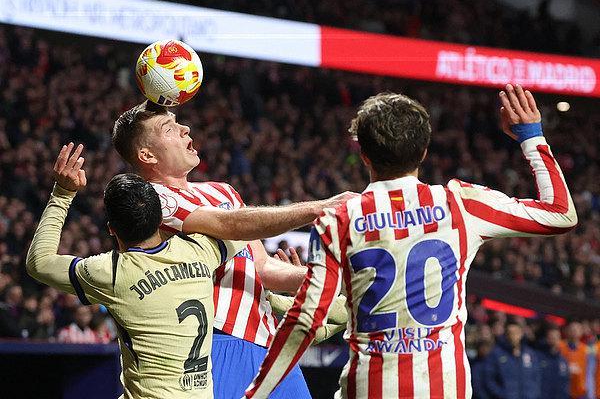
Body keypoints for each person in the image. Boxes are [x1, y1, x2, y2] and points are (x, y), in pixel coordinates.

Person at [244, 84, 578, 398]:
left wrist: (255, 393)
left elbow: (305, 320)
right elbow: (561, 213)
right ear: (424, 152)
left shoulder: (337, 219)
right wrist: (531, 136)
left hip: (370, 387)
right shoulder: (460, 204)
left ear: (364, 155)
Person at [112, 100, 352, 398]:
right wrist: (321, 208)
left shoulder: (222, 191)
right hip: (212, 343)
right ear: (147, 155)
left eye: (178, 123)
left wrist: (332, 276)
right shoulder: (153, 201)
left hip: (267, 343)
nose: (185, 128)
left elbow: (262, 267)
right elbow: (230, 225)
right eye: (169, 129)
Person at [26, 143, 250, 398]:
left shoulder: (111, 272)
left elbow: (39, 262)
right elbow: (243, 228)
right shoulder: (200, 250)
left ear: (111, 230)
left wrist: (62, 193)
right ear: (160, 220)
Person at [484, 320, 541, 398]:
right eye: (510, 333)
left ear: (521, 334)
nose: (513, 336)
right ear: (506, 335)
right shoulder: (496, 354)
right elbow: (489, 379)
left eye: (516, 333)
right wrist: (502, 394)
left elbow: (537, 378)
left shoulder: (530, 354)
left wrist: (533, 394)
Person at [559, 320, 588, 398]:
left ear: (581, 331)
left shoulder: (586, 349)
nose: (574, 331)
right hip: (563, 390)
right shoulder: (559, 346)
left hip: (580, 392)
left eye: (577, 329)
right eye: (571, 329)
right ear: (566, 331)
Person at [539, 325, 570, 399]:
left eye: (556, 337)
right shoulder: (538, 358)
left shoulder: (563, 361)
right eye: (551, 337)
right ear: (547, 339)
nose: (554, 340)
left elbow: (565, 384)